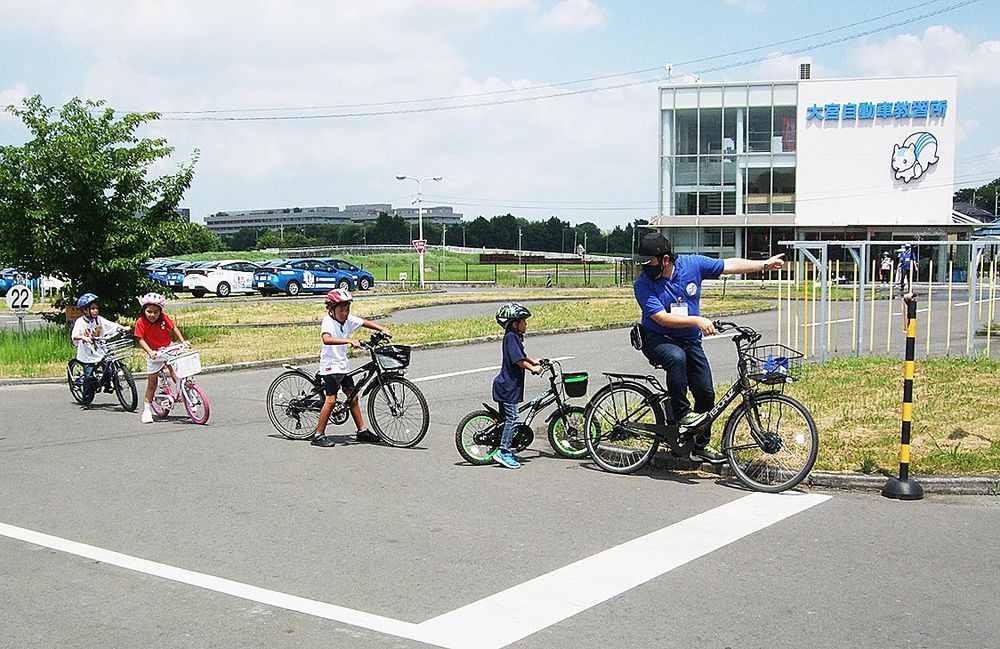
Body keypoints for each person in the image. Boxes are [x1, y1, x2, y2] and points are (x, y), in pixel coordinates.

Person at [632, 232, 785, 463]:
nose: (645, 268)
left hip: (690, 340)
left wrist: (764, 265)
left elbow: (728, 265)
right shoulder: (643, 284)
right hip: (657, 337)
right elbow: (661, 318)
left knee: (706, 394)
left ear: (665, 259)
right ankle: (683, 414)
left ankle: (699, 445)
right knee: (676, 357)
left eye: (648, 263)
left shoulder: (692, 265)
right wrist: (696, 320)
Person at [308, 288, 392, 448]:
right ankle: (318, 435)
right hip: (330, 366)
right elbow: (326, 339)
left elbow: (363, 322)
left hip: (343, 365)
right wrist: (348, 341)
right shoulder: (328, 321)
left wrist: (382, 329)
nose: (345, 312)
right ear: (331, 309)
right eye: (341, 309)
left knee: (353, 397)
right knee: (331, 400)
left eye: (347, 309)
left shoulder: (347, 320)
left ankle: (362, 431)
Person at [490, 302, 544, 469]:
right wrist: (532, 368)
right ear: (515, 324)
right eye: (524, 321)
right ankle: (504, 451)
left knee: (505, 420)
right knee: (513, 418)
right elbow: (518, 360)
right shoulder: (511, 337)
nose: (526, 324)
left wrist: (533, 360)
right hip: (508, 387)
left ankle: (497, 445)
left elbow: (522, 355)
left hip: (506, 386)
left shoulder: (513, 337)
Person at [134, 292, 186, 424]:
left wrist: (183, 342)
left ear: (160, 311)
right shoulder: (141, 322)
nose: (152, 315)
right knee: (152, 383)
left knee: (176, 371)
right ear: (144, 310)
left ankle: (181, 391)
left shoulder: (163, 318)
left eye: (156, 312)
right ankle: (147, 411)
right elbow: (140, 340)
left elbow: (173, 328)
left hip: (167, 348)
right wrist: (150, 352)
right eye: (149, 311)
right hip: (154, 353)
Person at [70, 293, 124, 406]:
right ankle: (86, 399)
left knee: (109, 368)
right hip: (87, 354)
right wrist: (83, 337)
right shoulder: (80, 322)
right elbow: (75, 335)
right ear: (85, 310)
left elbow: (111, 325)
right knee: (88, 377)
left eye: (96, 308)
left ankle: (106, 385)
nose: (95, 311)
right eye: (92, 309)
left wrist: (122, 328)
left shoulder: (99, 320)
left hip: (100, 351)